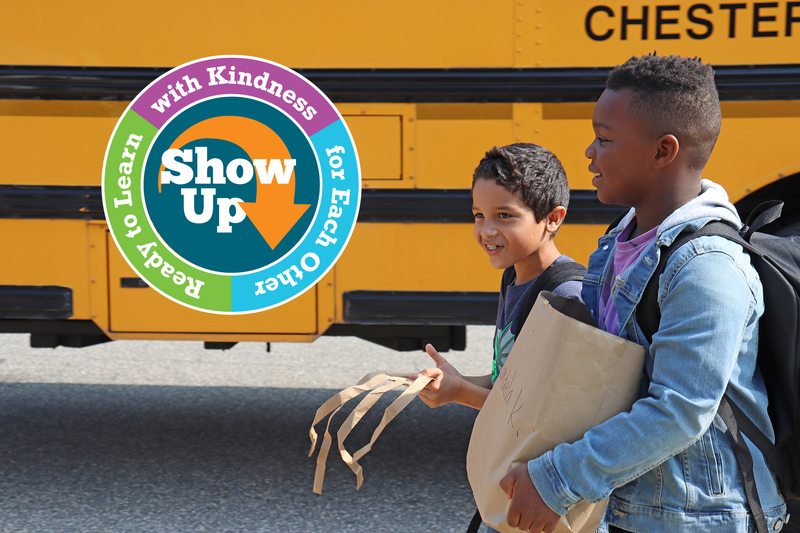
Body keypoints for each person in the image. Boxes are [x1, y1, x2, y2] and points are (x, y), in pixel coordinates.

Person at [499, 54, 788, 533]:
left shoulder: (708, 269)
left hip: (702, 520)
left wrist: (556, 480)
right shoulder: (622, 241)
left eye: (605, 138)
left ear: (663, 151)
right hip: (639, 511)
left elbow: (679, 410)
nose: (589, 152)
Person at [410, 143, 582, 413]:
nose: (486, 231)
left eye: (504, 215)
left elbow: (537, 412)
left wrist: (458, 391)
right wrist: (455, 380)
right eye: (479, 215)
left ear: (553, 219)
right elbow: (506, 383)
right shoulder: (513, 277)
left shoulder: (565, 298)